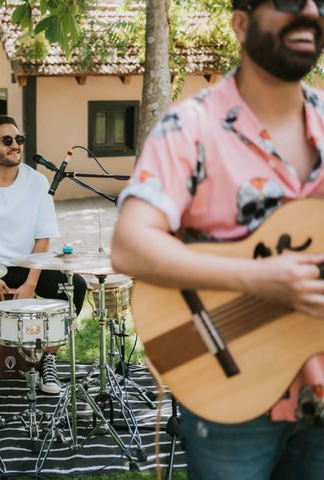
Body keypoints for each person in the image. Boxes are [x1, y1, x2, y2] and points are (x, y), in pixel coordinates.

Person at [111, 0, 324, 478]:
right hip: (229, 380)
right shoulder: (191, 127)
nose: (310, 10)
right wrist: (259, 279)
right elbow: (130, 245)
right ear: (241, 22)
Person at [0, 114, 87, 394]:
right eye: (7, 140)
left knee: (75, 288)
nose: (16, 145)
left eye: (19, 139)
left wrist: (31, 284)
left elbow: (42, 239)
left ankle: (48, 358)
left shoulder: (37, 182)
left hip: (27, 263)